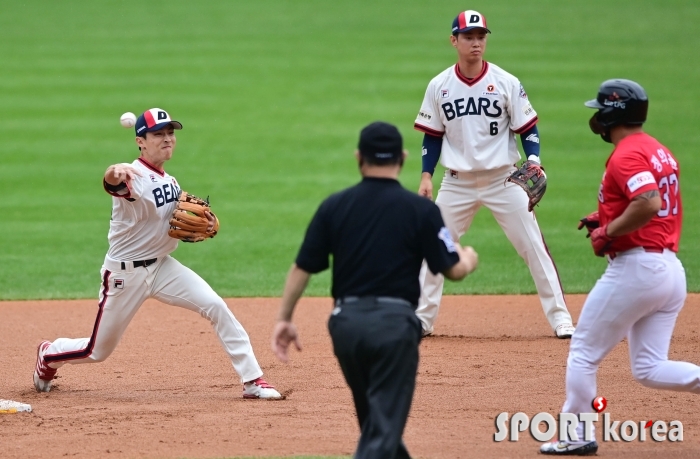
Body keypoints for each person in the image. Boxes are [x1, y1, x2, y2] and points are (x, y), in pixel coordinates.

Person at [33, 108, 282, 400]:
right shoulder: (133, 175)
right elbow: (114, 182)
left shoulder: (171, 181)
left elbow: (176, 219)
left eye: (170, 133)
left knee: (215, 305)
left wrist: (207, 222)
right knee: (97, 351)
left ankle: (252, 380)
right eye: (158, 134)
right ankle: (49, 355)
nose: (167, 139)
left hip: (163, 268)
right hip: (126, 275)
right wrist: (114, 171)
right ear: (141, 141)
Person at [271, 122, 479, 459]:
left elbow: (302, 267)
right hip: (395, 329)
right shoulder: (422, 210)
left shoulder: (334, 206)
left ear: (359, 157)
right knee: (382, 432)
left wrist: (284, 318)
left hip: (346, 327)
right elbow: (452, 269)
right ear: (403, 158)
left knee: (377, 425)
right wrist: (469, 258)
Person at [540, 79, 700, 455]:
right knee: (648, 367)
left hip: (638, 270)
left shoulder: (627, 154)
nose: (596, 116)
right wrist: (606, 215)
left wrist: (609, 231)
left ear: (614, 113)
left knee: (582, 351)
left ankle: (575, 436)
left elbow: (647, 202)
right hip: (669, 273)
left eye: (600, 109)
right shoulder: (657, 149)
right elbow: (647, 203)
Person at [413, 10, 575, 338]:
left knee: (533, 247)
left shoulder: (506, 82)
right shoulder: (439, 85)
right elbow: (433, 134)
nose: (476, 43)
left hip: (504, 180)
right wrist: (426, 175)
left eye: (481, 36)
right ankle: (421, 320)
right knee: (435, 245)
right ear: (454, 41)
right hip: (456, 183)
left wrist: (534, 159)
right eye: (469, 37)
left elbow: (528, 128)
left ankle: (561, 319)